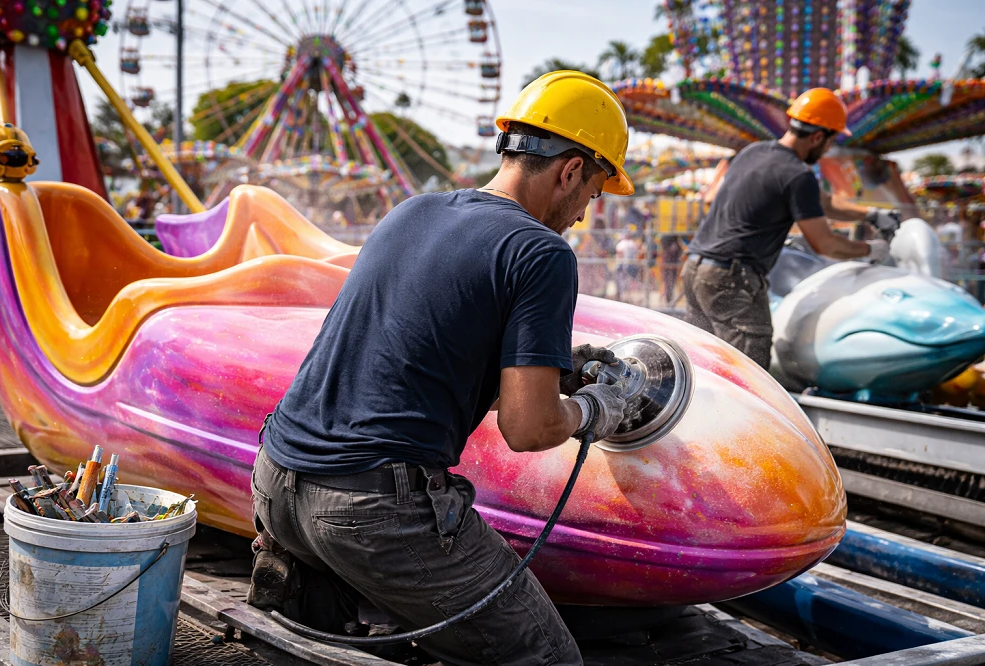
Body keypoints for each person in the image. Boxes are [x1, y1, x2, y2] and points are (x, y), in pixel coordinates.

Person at [251, 71, 635, 666]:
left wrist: (548, 373)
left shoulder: (413, 212)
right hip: (370, 511)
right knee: (546, 658)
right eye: (595, 191)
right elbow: (527, 429)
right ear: (569, 170)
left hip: (277, 480)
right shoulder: (542, 252)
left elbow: (412, 367)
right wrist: (595, 410)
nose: (586, 212)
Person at [681, 88, 901, 368]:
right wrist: (872, 249)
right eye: (831, 141)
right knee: (749, 370)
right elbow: (826, 243)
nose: (829, 149)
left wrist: (870, 214)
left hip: (695, 269)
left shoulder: (753, 153)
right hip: (731, 279)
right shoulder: (798, 175)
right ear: (818, 136)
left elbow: (823, 202)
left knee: (703, 362)